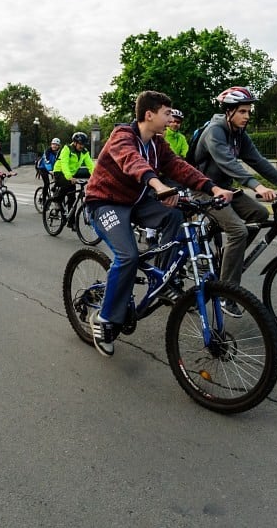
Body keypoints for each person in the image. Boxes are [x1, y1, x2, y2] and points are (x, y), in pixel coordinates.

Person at [84, 91, 234, 356]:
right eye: (166, 113)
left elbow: (178, 166)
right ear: (149, 114)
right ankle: (106, 321)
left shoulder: (157, 143)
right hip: (106, 202)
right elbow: (132, 162)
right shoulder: (122, 136)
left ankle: (162, 282)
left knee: (174, 216)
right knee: (128, 256)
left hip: (137, 201)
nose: (171, 118)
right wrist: (157, 184)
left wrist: (212, 188)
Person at [193, 86, 277, 317]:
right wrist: (257, 186)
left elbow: (258, 161)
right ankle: (227, 294)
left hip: (225, 190)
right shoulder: (215, 131)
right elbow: (228, 163)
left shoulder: (239, 134)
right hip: (203, 190)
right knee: (238, 231)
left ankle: (227, 259)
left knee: (259, 214)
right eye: (243, 111)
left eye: (249, 111)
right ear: (229, 111)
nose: (247, 116)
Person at [50, 131, 95, 212]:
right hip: (59, 171)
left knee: (72, 198)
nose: (82, 146)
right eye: (80, 144)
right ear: (74, 142)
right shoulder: (67, 149)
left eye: (83, 144)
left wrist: (96, 177)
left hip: (70, 175)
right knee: (67, 184)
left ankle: (71, 223)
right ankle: (57, 200)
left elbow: (91, 165)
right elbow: (64, 163)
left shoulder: (84, 152)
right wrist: (69, 177)